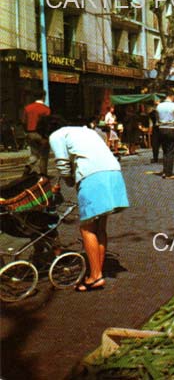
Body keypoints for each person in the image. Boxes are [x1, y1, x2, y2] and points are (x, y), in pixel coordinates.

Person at [38, 115, 129, 292]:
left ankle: (95, 276)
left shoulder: (56, 136)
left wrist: (70, 181)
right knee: (100, 225)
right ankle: (97, 271)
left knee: (86, 228)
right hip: (113, 172)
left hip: (92, 177)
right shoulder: (86, 131)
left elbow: (63, 165)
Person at [155, 90, 174, 179]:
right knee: (171, 151)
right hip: (172, 129)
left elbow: (157, 119)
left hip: (161, 129)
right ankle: (168, 173)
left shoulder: (159, 106)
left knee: (165, 150)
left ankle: (164, 170)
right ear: (172, 96)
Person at [22, 89, 51, 175]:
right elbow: (47, 124)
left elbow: (23, 122)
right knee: (43, 157)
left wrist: (27, 132)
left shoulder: (27, 108)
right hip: (42, 135)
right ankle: (43, 175)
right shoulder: (46, 109)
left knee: (34, 154)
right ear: (43, 97)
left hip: (30, 133)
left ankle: (27, 168)